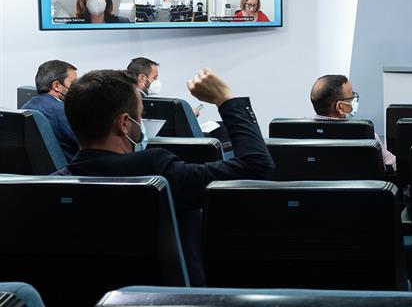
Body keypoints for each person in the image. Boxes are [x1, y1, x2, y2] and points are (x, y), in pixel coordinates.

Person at [57, 68, 273, 285]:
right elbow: (256, 165)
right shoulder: (155, 172)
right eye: (139, 116)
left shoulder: (49, 186)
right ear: (124, 123)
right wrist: (225, 98)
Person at [309, 74, 396, 169]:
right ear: (340, 107)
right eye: (351, 97)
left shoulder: (301, 133)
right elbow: (391, 165)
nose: (354, 99)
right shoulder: (366, 135)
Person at [23, 60, 79, 158]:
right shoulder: (63, 112)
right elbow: (89, 145)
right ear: (57, 86)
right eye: (73, 83)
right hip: (70, 170)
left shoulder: (26, 107)